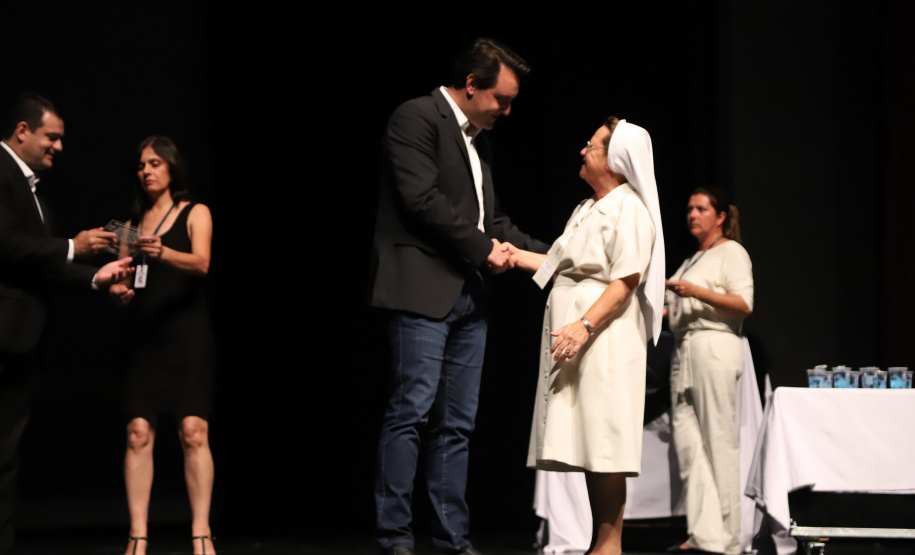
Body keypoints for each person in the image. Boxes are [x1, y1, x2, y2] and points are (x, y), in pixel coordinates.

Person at [369, 38, 549, 555]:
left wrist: (559, 255)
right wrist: (483, 249)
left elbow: (492, 222)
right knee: (411, 413)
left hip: (470, 298)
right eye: (502, 99)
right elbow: (421, 199)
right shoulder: (416, 117)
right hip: (421, 290)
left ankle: (452, 539)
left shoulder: (478, 141)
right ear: (471, 84)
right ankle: (396, 537)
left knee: (456, 426)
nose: (507, 112)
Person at [510, 116, 665, 555]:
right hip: (583, 339)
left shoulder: (630, 208)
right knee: (589, 443)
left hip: (606, 337)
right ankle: (601, 542)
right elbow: (557, 263)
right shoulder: (587, 208)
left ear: (616, 160)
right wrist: (511, 254)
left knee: (604, 441)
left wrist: (585, 324)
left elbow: (625, 281)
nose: (583, 151)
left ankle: (609, 546)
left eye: (592, 146)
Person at [0, 93, 132, 554]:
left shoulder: (34, 192)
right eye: (51, 137)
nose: (59, 146)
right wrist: (73, 246)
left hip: (18, 341)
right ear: (23, 131)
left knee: (5, 456)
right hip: (2, 336)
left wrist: (97, 275)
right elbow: (4, 244)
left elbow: (42, 266)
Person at [109, 136, 215, 555]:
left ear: (172, 167)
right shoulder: (130, 225)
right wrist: (118, 290)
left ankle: (201, 531)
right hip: (145, 335)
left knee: (193, 431)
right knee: (138, 433)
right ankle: (138, 534)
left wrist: (164, 252)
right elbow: (122, 277)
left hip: (187, 336)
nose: (146, 171)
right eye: (141, 165)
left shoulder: (195, 211)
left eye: (154, 163)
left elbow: (202, 263)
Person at [665, 187, 753, 555]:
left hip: (714, 345)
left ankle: (730, 539)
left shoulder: (731, 252)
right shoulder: (692, 260)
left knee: (718, 442)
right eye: (689, 209)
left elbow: (743, 303)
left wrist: (696, 292)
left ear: (720, 216)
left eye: (701, 209)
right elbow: (677, 307)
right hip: (684, 349)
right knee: (689, 447)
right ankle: (706, 535)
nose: (692, 215)